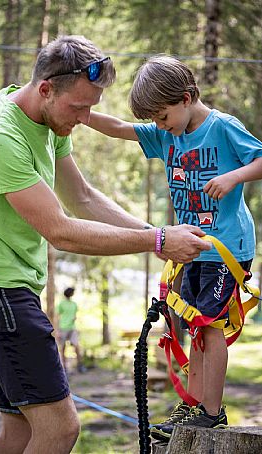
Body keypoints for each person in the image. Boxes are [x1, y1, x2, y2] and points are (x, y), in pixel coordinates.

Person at [0, 38, 211, 453]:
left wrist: (155, 238)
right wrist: (158, 238)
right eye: (78, 108)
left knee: (20, 434)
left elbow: (84, 198)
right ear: (45, 89)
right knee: (60, 429)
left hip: (4, 287)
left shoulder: (46, 122)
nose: (85, 117)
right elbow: (62, 230)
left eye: (91, 106)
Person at [87, 54, 262, 440]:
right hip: (189, 248)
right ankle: (194, 406)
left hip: (225, 248)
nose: (158, 126)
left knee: (210, 327)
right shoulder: (168, 132)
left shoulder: (223, 127)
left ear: (186, 98)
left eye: (162, 116)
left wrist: (234, 176)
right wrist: (79, 112)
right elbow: (118, 127)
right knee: (192, 326)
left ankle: (212, 413)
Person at [56, 287, 85, 374]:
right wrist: (57, 330)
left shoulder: (74, 304)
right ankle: (64, 367)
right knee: (63, 348)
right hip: (63, 328)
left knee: (76, 346)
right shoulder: (61, 303)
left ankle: (80, 365)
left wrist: (74, 319)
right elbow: (57, 317)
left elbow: (75, 315)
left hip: (72, 328)